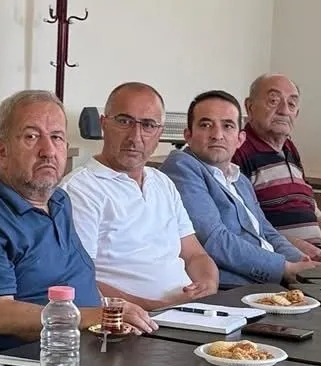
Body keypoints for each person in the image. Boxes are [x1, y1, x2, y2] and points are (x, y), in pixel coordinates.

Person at [0, 90, 158, 354]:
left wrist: (113, 311)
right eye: (31, 137)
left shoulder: (60, 201)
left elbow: (79, 281)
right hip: (28, 360)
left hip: (91, 344)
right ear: (2, 151)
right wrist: (97, 316)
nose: (48, 151)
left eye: (57, 137)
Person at [59, 82, 220, 311]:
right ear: (104, 124)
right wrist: (155, 307)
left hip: (189, 313)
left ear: (159, 133)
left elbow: (195, 254)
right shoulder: (80, 189)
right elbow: (79, 281)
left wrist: (208, 285)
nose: (135, 137)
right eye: (124, 121)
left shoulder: (162, 182)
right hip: (130, 320)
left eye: (148, 125)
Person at [160, 90, 321, 287]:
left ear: (240, 139)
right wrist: (285, 268)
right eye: (206, 125)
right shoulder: (181, 167)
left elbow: (267, 232)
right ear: (188, 136)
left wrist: (302, 263)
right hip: (231, 288)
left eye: (227, 126)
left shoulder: (240, 179)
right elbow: (214, 240)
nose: (217, 135)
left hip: (272, 282)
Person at [232, 73, 321, 262]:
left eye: (292, 104)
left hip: (317, 255)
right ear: (250, 107)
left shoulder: (289, 147)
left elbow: (305, 200)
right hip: (283, 260)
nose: (284, 111)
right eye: (273, 101)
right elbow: (241, 223)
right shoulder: (238, 149)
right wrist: (291, 246)